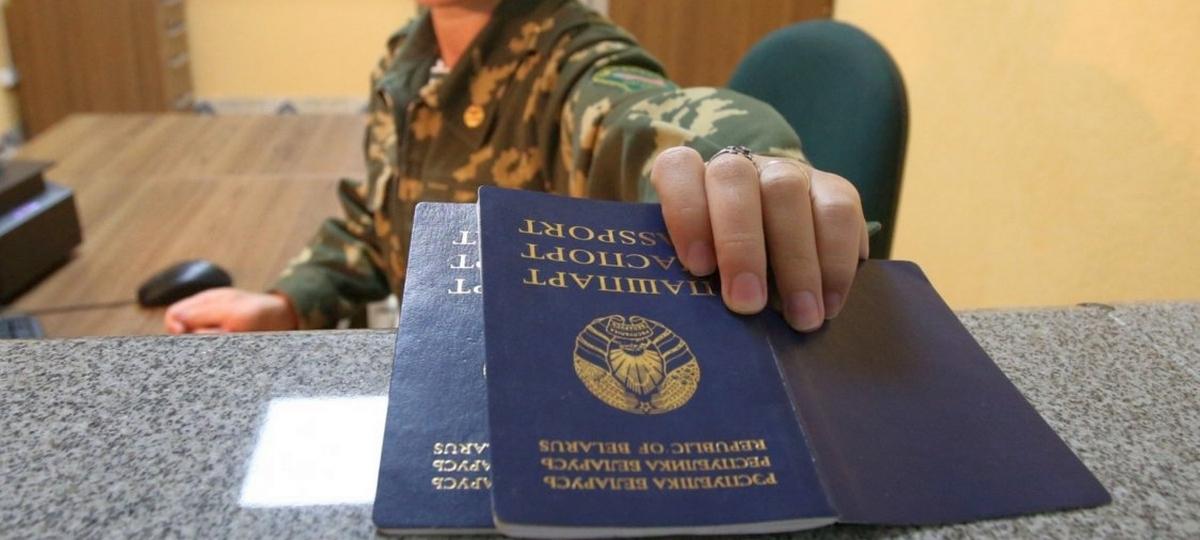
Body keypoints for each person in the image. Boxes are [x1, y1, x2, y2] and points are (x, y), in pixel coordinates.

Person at [165, 0, 868, 335]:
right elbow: (382, 220)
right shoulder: (407, 59)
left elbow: (643, 118)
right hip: (436, 371)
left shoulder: (569, 58)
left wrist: (747, 166)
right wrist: (289, 301)